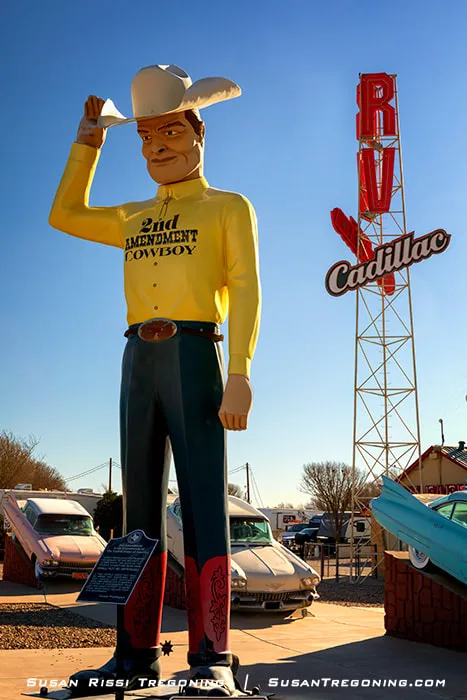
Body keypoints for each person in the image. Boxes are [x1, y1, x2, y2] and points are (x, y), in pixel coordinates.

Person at [49, 64, 261, 697]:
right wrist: (89, 139)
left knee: (202, 507)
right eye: (144, 136)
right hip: (136, 359)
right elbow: (64, 214)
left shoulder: (228, 206)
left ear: (199, 134)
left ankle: (212, 659)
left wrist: (242, 374)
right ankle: (134, 653)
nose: (156, 146)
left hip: (197, 353)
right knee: (137, 512)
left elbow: (246, 287)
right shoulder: (133, 216)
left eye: (169, 131)